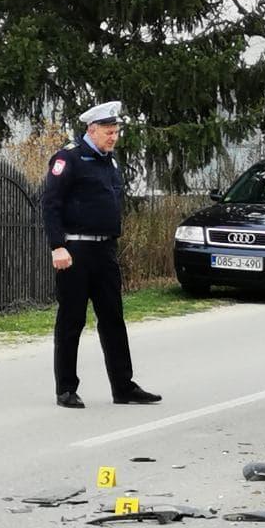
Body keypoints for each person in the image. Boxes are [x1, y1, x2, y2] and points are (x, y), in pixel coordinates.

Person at [42, 101, 161, 409]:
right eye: (109, 132)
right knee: (72, 320)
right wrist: (58, 246)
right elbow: (51, 204)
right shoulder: (68, 158)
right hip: (75, 250)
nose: (114, 137)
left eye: (116, 131)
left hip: (104, 249)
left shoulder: (109, 162)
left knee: (113, 319)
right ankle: (66, 388)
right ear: (91, 130)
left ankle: (123, 387)